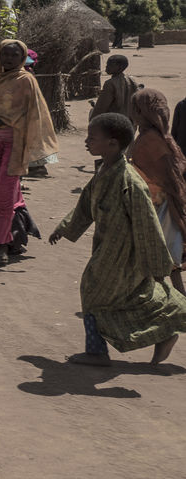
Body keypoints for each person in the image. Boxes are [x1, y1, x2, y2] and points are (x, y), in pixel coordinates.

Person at [50, 113, 186, 366]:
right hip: (106, 246)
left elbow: (147, 223)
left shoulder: (130, 181)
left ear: (112, 143)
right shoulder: (104, 171)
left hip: (123, 252)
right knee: (123, 296)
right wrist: (65, 227)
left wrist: (157, 264)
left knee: (93, 291)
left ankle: (98, 352)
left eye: (92, 138)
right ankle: (163, 333)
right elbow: (86, 203)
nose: (86, 142)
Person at [0, 38, 58, 265]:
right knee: (2, 194)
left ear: (23, 58)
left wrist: (3, 122)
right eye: (4, 54)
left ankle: (2, 245)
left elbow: (32, 113)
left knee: (4, 197)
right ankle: (16, 237)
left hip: (16, 144)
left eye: (14, 55)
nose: (8, 58)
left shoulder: (26, 80)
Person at [128, 89, 186, 294]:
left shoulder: (150, 140)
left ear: (143, 113)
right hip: (159, 202)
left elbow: (165, 175)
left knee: (160, 254)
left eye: (135, 109)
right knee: (166, 258)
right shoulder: (156, 136)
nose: (132, 113)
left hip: (158, 204)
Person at [90, 54, 137, 122]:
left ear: (120, 67)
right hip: (130, 121)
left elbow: (101, 107)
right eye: (107, 64)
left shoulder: (110, 84)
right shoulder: (132, 80)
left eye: (110, 65)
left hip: (114, 121)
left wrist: (93, 121)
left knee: (92, 112)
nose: (106, 67)